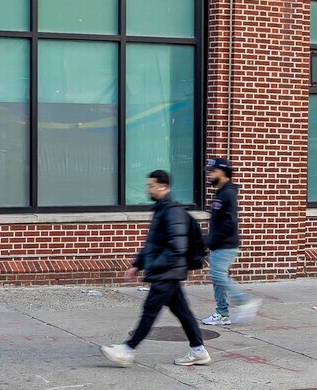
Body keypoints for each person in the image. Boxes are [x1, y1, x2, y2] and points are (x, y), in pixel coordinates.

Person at [102, 170, 211, 369]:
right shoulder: (162, 210)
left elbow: (177, 248)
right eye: (147, 185)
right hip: (167, 271)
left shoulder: (172, 212)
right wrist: (138, 264)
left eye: (151, 185)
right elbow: (152, 244)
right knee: (183, 312)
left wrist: (153, 265)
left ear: (163, 186)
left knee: (150, 311)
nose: (147, 189)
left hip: (167, 273)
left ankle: (127, 350)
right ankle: (199, 350)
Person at [201, 157, 262, 326]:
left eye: (213, 171)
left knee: (218, 275)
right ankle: (222, 313)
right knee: (217, 277)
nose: (210, 175)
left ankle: (244, 301)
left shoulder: (227, 193)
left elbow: (229, 222)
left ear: (223, 172)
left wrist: (214, 240)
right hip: (218, 243)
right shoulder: (221, 192)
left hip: (225, 244)